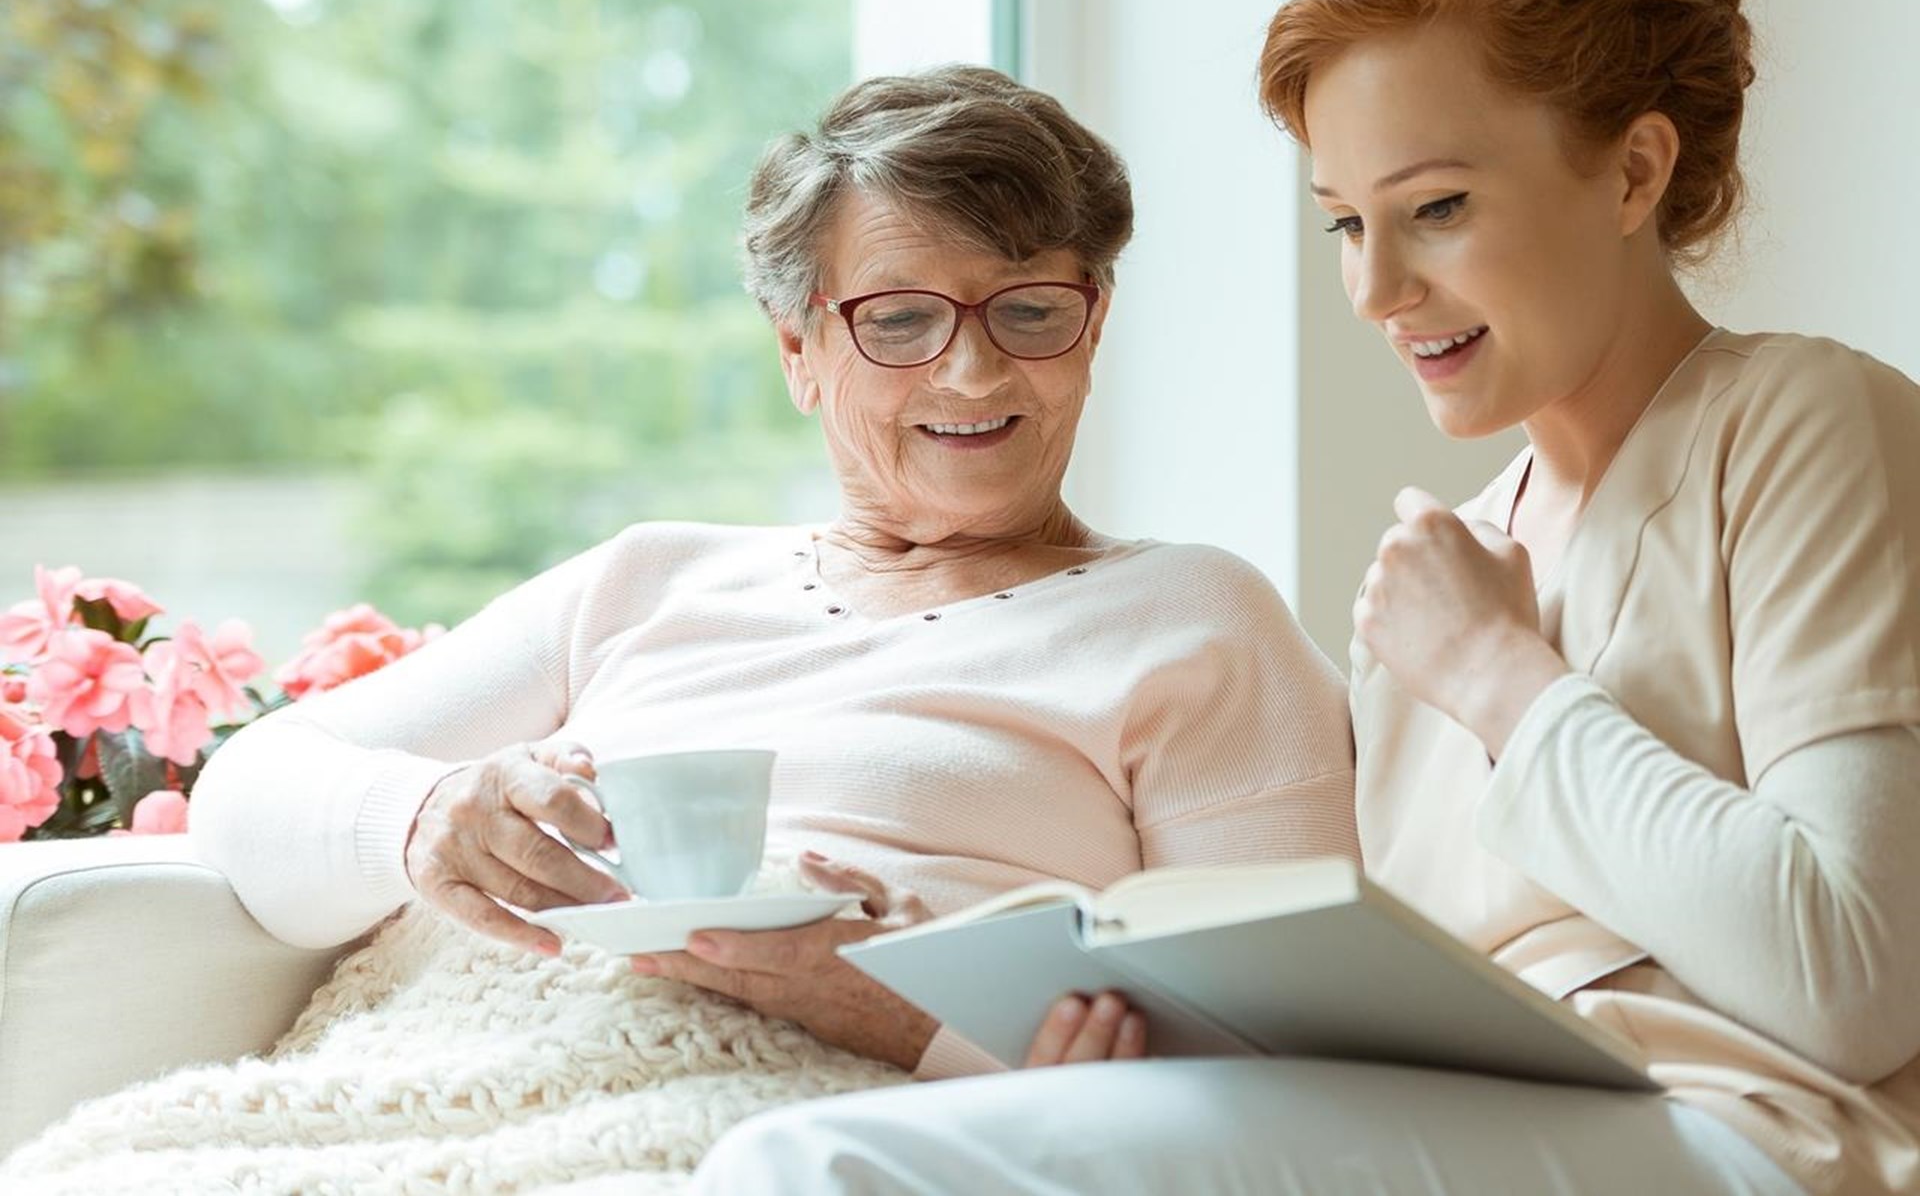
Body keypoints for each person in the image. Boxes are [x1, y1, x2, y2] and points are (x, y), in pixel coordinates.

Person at [687, 0, 1920, 1193]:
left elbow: (1850, 982)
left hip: (1762, 1139)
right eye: (1345, 224)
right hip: (1478, 1128)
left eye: (1437, 207)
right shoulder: (1438, 572)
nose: (1378, 288)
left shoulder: (1800, 421)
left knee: (808, 1159)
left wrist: (1506, 678)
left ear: (1632, 171)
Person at [186, 64, 1356, 1082]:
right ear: (798, 350)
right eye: (899, 321)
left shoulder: (1192, 618)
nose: (971, 371)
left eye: (1030, 310)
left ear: (1093, 322)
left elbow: (1278, 1043)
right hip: (444, 1078)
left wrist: (892, 1008)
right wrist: (426, 816)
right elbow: (249, 791)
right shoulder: (645, 581)